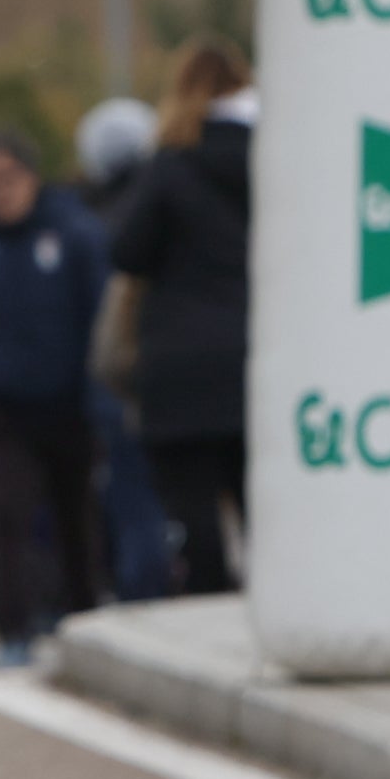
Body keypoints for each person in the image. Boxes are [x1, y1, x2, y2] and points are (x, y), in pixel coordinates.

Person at [0, 129, 110, 659]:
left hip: (70, 404)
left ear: (31, 176)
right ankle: (14, 632)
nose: (0, 191)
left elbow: (98, 314)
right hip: (4, 408)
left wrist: (97, 392)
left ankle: (85, 622)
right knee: (7, 518)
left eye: (9, 178)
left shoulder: (74, 232)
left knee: (76, 519)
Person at [111, 43, 255, 593]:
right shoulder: (276, 160)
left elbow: (126, 250)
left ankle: (211, 611)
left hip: (179, 361)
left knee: (195, 516)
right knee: (264, 508)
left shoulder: (170, 164)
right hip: (255, 354)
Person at [72, 96, 175, 603]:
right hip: (163, 369)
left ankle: (141, 590)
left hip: (112, 379)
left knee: (130, 496)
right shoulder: (163, 203)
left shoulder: (88, 219)